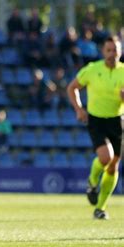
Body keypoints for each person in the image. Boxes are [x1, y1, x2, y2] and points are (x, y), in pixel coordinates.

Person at [66, 35, 123, 220]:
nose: (112, 53)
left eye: (115, 50)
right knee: (106, 157)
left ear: (120, 51)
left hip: (117, 121)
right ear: (103, 52)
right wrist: (79, 109)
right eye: (108, 50)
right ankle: (92, 181)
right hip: (97, 120)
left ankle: (100, 208)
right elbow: (72, 88)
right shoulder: (92, 69)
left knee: (114, 166)